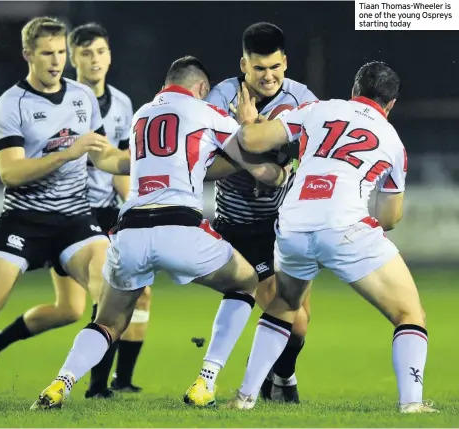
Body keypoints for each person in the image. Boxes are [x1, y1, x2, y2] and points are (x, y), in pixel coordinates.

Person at [30, 56, 289, 410]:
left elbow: (176, 162)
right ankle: (205, 382)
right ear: (200, 88)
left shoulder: (141, 116)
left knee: (107, 321)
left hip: (129, 231)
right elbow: (253, 153)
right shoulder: (205, 113)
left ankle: (58, 384)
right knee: (244, 282)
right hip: (180, 226)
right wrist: (279, 167)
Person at [225, 61, 438, 414]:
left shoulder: (317, 109)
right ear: (392, 104)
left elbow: (250, 139)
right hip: (345, 226)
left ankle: (245, 397)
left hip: (293, 223)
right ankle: (412, 404)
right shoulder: (392, 140)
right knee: (409, 313)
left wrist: (248, 120)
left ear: (354, 89)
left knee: (284, 305)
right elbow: (389, 217)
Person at [0, 16, 128, 392]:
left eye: (61, 52)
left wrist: (140, 163)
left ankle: (81, 386)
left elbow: (102, 158)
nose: (56, 61)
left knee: (112, 288)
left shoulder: (81, 98)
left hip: (75, 219)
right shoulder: (10, 104)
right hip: (24, 220)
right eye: (47, 53)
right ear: (28, 54)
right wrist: (67, 153)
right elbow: (11, 173)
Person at [204, 22, 318, 402]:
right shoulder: (220, 99)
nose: (268, 77)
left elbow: (316, 155)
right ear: (243, 65)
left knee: (300, 323)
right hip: (239, 224)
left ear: (285, 63)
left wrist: (260, 152)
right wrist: (258, 160)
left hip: (287, 221)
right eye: (258, 69)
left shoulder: (303, 100)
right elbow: (202, 166)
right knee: (290, 317)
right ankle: (270, 383)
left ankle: (279, 379)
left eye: (275, 67)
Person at [68, 22, 151, 398]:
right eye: (86, 53)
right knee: (102, 295)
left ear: (110, 56)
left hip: (106, 211)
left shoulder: (122, 103)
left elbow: (119, 164)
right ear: (73, 59)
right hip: (71, 212)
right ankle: (96, 384)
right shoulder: (63, 100)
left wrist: (133, 205)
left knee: (141, 291)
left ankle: (121, 379)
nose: (94, 59)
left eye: (100, 51)